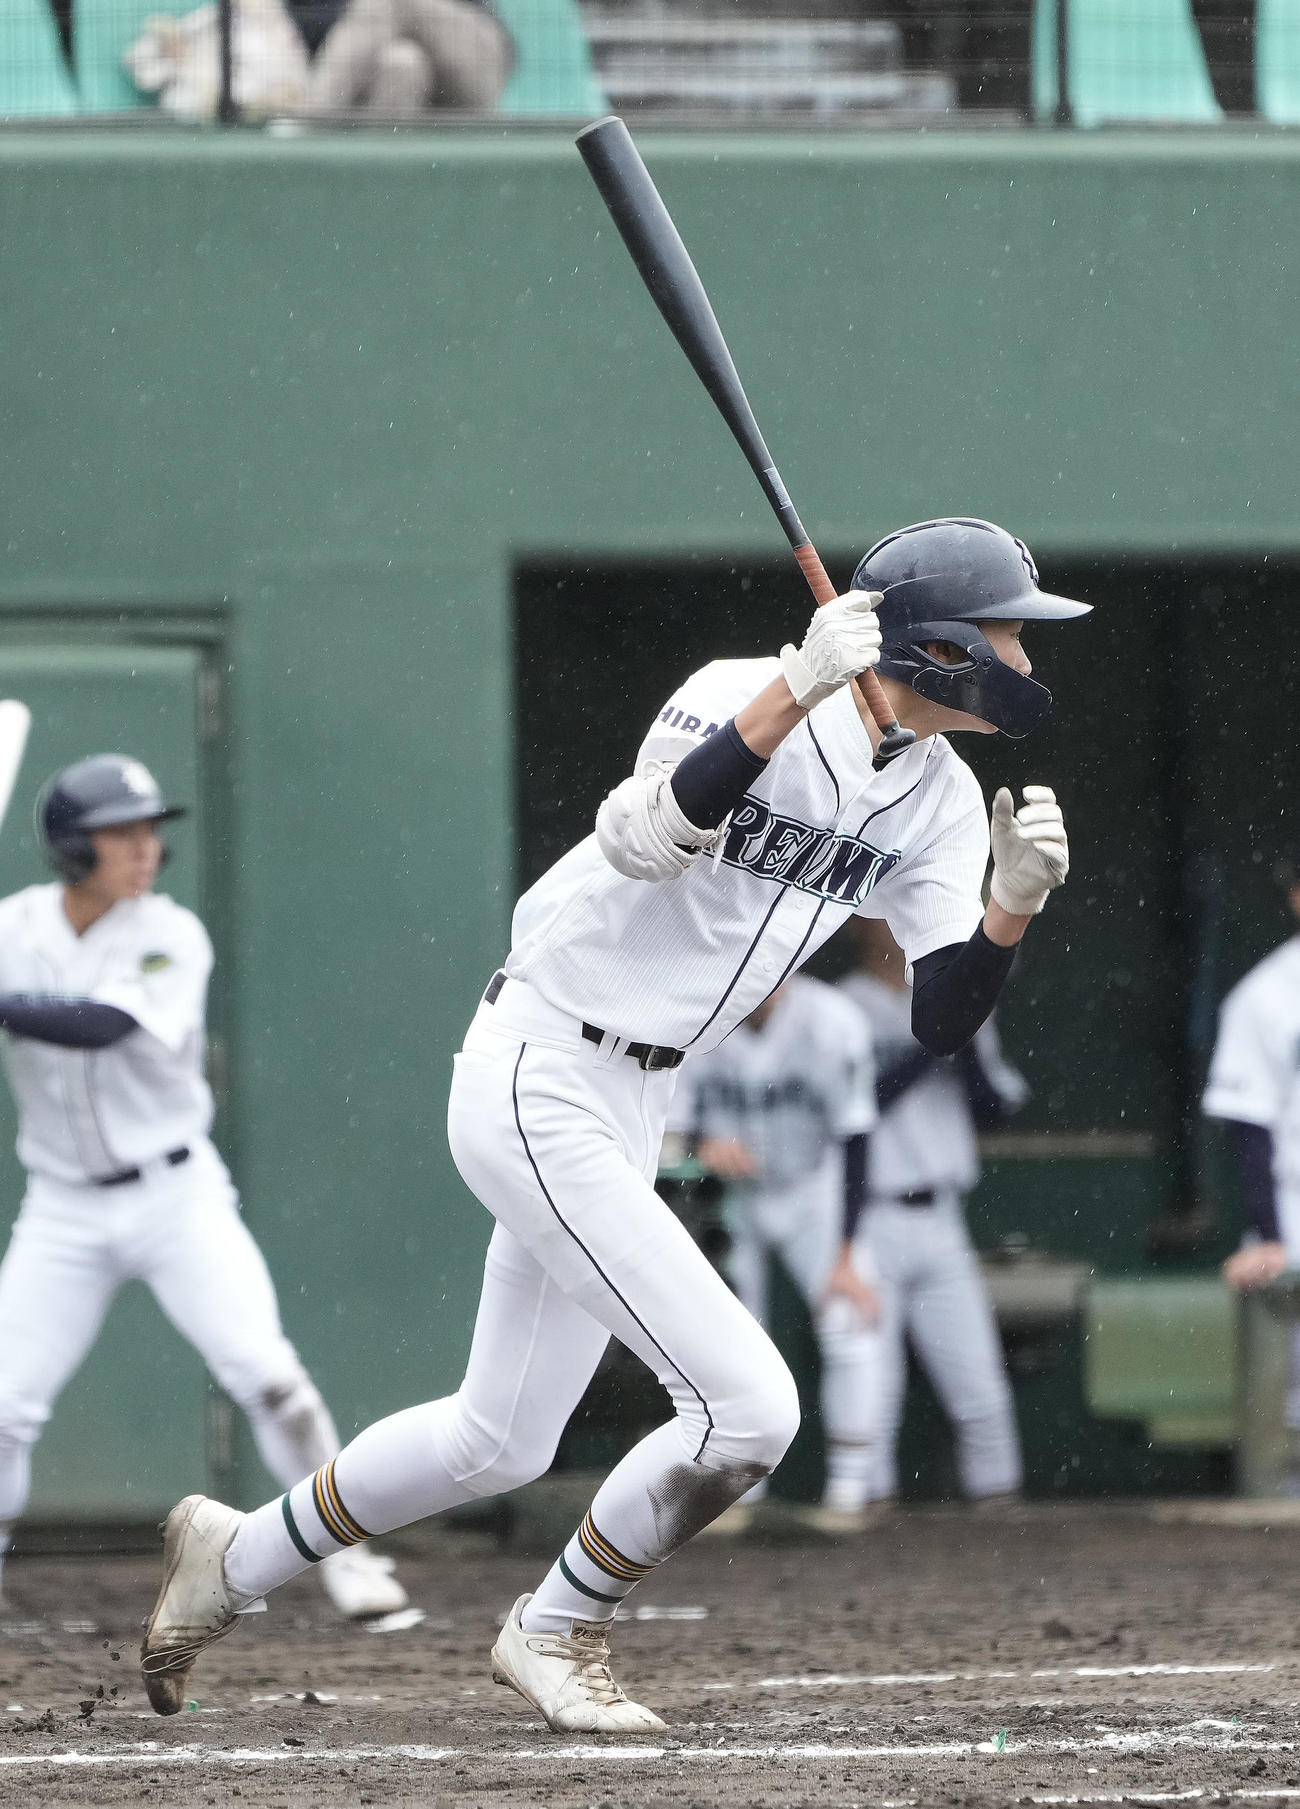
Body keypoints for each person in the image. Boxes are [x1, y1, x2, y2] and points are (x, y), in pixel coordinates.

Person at [140, 516, 1087, 1732]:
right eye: (1007, 630)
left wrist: (1008, 907)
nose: (1023, 653)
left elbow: (943, 1019)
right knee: (750, 1409)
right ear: (945, 649)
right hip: (541, 1062)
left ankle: (236, 1559)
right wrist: (787, 698)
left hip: (641, 1093)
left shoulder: (941, 800)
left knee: (498, 1442)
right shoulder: (741, 692)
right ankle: (554, 1630)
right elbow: (643, 842)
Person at [0, 756, 408, 1621]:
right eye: (122, 831)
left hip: (174, 1196)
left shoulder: (169, 933)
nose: (146, 847)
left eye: (150, 829)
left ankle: (349, 1557)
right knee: (3, 1406)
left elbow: (101, 1025)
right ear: (73, 846)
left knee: (269, 1377)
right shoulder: (14, 926)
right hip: (62, 1206)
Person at [668, 976, 884, 1535]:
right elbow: (665, 1129)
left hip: (814, 1188)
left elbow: (858, 1136)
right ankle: (738, 1494)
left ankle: (850, 1491)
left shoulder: (832, 1020)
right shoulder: (696, 1008)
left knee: (848, 1323)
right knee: (731, 1343)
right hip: (732, 1198)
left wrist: (846, 1253)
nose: (761, 985)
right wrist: (699, 1145)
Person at [840, 914, 1028, 1510]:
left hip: (942, 1217)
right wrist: (937, 1034)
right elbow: (863, 1103)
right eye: (879, 920)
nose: (892, 931)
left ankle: (1002, 1521)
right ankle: (868, 1536)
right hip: (868, 1220)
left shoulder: (960, 1000)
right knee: (875, 1394)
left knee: (981, 1392)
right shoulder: (844, 1008)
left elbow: (994, 1107)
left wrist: (963, 1029)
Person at [1202, 848, 1300, 1477]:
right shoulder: (1266, 995)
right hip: (1294, 1205)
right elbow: (1250, 1122)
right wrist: (1269, 1235)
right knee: (1290, 1411)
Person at [289, 0, 512, 114]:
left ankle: (303, 129)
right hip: (404, 82)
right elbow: (310, 23)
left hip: (479, 66)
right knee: (402, 63)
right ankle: (383, 188)